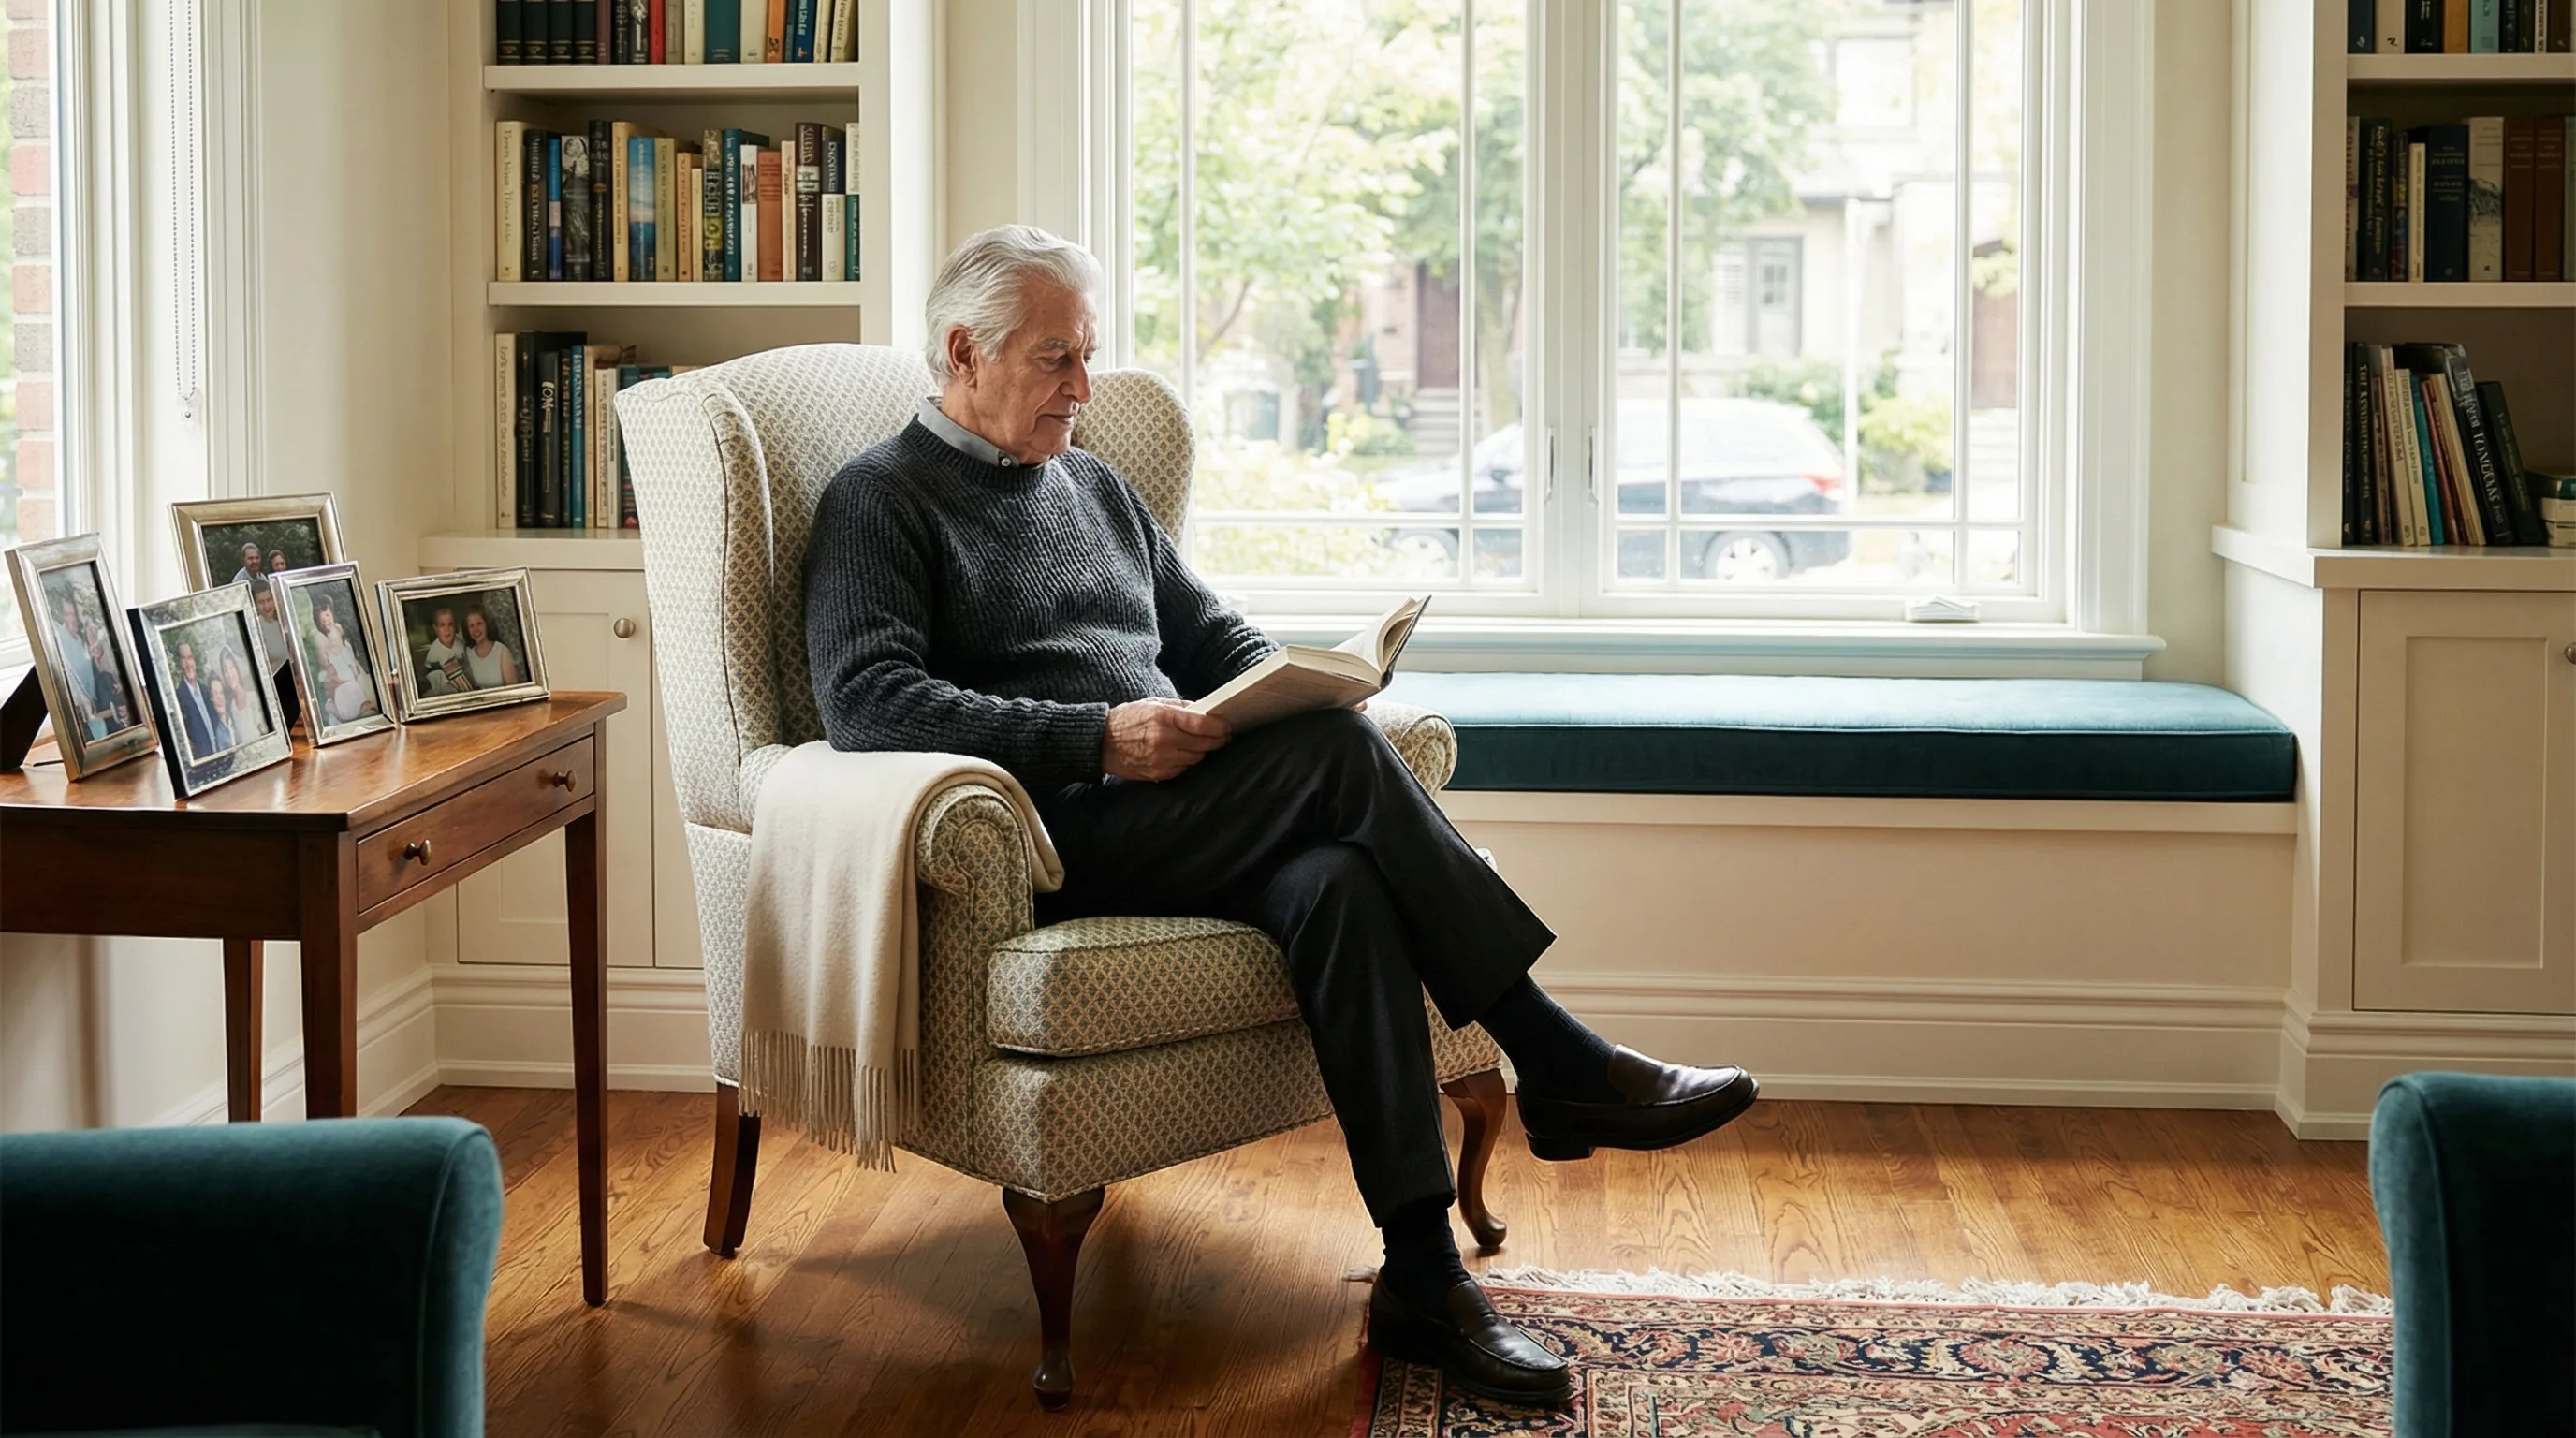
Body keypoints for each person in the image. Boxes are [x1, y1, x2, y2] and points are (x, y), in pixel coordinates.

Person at [803, 226, 1760, 1409]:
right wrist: (1096, 737)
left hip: (1185, 815)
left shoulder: (1094, 486)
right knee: (1338, 763)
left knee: (1340, 885)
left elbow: (1218, 636)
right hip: (1057, 836)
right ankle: (1557, 1056)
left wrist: (1291, 684)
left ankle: (1422, 1276)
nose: (1084, 390)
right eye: (1058, 360)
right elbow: (868, 702)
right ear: (963, 351)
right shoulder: (878, 501)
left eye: (1088, 356)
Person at [312, 595, 376, 723]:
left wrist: (358, 678)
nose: (326, 620)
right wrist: (339, 681)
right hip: (340, 689)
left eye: (328, 615)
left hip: (354, 684)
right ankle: (340, 712)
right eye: (322, 618)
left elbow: (356, 669)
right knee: (348, 708)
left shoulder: (346, 647)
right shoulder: (324, 652)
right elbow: (328, 678)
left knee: (363, 700)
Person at [171, 641, 218, 755]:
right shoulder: (178, 699)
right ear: (179, 663)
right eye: (184, 659)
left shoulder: (207, 691)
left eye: (190, 658)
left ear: (195, 661)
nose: (188, 664)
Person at [460, 609, 521, 689]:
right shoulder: (469, 655)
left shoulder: (502, 651)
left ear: (486, 625)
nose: (476, 630)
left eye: (479, 624)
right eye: (471, 626)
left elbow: (514, 690)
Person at [420, 607, 471, 693]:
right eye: (442, 625)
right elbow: (435, 681)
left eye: (450, 624)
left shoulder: (461, 643)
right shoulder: (434, 655)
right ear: (436, 629)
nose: (447, 629)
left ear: (455, 626)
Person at [220, 651, 265, 738]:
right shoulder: (231, 707)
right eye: (225, 671)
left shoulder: (254, 698)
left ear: (237, 669)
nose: (229, 674)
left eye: (231, 667)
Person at [203, 673, 238, 754]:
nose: (219, 697)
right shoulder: (215, 731)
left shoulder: (234, 721)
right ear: (211, 699)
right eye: (215, 693)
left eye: (221, 692)